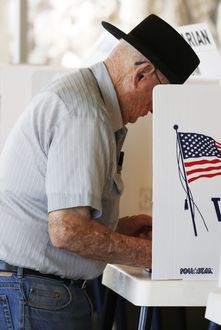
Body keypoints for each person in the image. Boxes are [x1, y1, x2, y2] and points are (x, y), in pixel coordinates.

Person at [0, 14, 199, 330]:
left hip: (31, 292)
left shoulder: (84, 102)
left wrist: (120, 229)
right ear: (142, 74)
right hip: (35, 298)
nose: (154, 109)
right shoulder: (85, 116)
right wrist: (152, 254)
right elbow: (67, 231)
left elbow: (61, 222)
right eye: (162, 95)